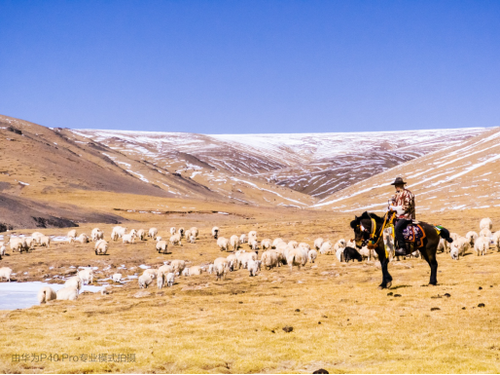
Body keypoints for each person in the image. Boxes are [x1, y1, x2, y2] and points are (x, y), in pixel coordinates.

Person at [388, 177, 415, 256]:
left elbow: (407, 207)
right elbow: (392, 203)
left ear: (401, 185)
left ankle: (402, 248)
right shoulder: (396, 194)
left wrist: (395, 208)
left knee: (397, 228)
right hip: (397, 216)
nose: (396, 187)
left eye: (397, 185)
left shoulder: (408, 194)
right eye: (396, 185)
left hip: (406, 216)